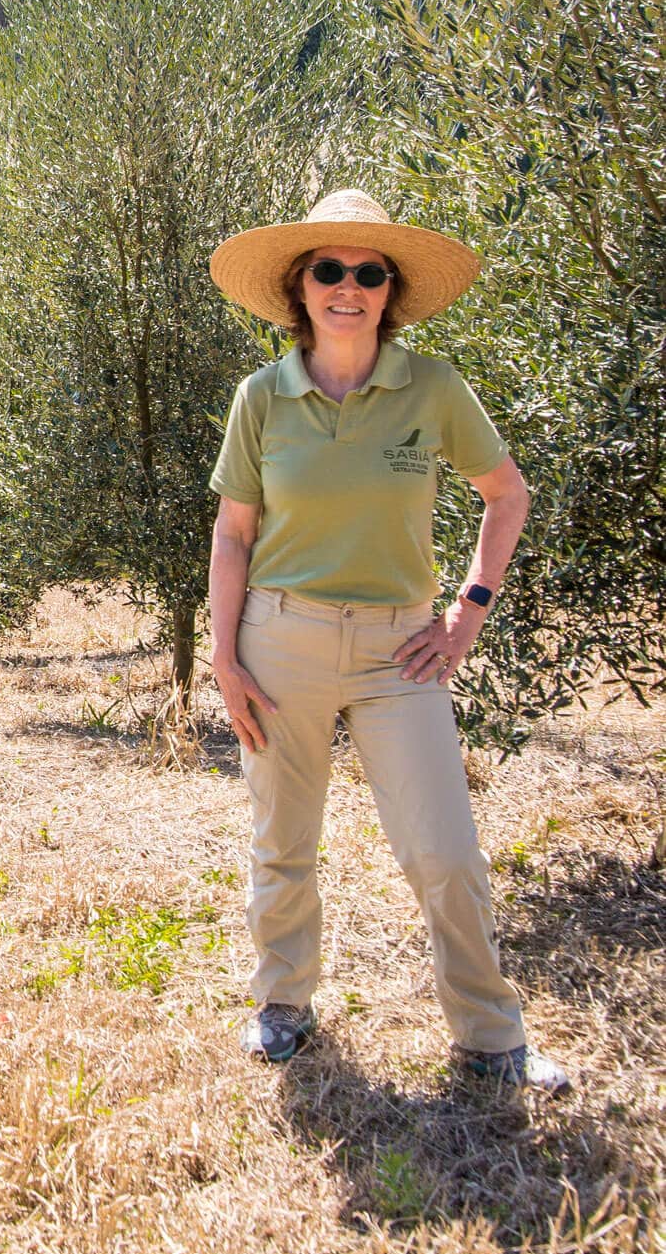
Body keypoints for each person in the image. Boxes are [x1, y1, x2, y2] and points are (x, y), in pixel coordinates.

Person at [207, 188, 570, 1092]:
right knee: (282, 840)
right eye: (329, 269)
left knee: (444, 851)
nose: (349, 287)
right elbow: (233, 534)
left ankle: (491, 1041)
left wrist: (467, 613)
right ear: (300, 286)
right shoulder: (262, 398)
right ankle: (283, 1005)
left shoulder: (434, 388)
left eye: (369, 274)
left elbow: (507, 496)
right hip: (278, 640)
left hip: (399, 652)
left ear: (388, 293)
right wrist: (223, 657)